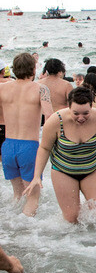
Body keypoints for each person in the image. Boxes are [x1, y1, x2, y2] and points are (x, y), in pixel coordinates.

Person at [24, 88, 96, 223]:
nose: (81, 118)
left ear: (91, 106)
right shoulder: (56, 121)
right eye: (76, 113)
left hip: (92, 170)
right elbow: (44, 148)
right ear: (69, 107)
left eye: (86, 113)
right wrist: (36, 176)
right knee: (72, 220)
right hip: (63, 172)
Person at [0, 53, 53, 216]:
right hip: (28, 147)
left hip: (7, 146)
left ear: (14, 69)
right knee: (32, 197)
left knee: (17, 194)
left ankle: (11, 231)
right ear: (34, 68)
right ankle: (26, 234)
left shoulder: (2, 88)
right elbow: (50, 117)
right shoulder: (41, 89)